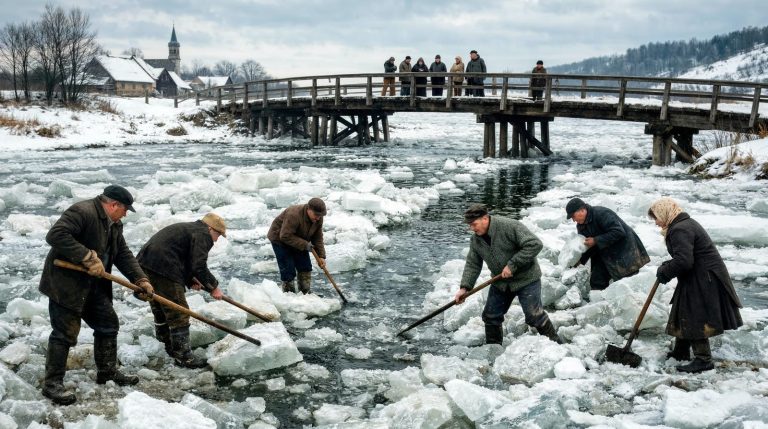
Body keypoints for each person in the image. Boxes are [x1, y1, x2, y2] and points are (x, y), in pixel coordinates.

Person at [39, 185, 153, 405]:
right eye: (125, 209)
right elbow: (55, 235)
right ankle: (52, 385)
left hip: (93, 286)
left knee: (108, 323)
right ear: (113, 205)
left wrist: (141, 279)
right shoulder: (82, 211)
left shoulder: (114, 224)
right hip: (66, 285)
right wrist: (87, 257)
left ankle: (107, 372)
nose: (126, 214)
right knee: (64, 333)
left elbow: (123, 254)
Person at [648, 198, 743, 373]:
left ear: (664, 213)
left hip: (705, 277)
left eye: (656, 218)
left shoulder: (680, 229)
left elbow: (684, 261)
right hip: (700, 274)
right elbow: (685, 256)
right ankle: (681, 351)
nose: (656, 223)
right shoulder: (683, 224)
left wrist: (666, 271)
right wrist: (668, 265)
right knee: (683, 307)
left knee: (695, 313)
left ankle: (703, 359)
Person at [454, 204, 561, 345]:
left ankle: (556, 345)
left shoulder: (509, 226)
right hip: (501, 282)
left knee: (534, 316)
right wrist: (465, 288)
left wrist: (513, 264)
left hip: (527, 278)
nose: (472, 228)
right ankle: (493, 349)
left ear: (485, 218)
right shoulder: (476, 240)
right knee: (491, 316)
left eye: (474, 224)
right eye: (470, 225)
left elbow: (535, 244)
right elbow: (473, 264)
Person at [136, 213, 227, 369]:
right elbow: (198, 265)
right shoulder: (203, 234)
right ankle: (183, 357)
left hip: (145, 263)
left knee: (160, 304)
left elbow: (184, 257)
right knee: (178, 310)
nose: (216, 239)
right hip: (164, 267)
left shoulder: (189, 229)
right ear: (210, 228)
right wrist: (214, 287)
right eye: (217, 234)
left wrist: (189, 280)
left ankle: (166, 343)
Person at [566, 198, 650, 291]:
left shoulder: (601, 213)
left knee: (625, 284)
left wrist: (596, 240)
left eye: (573, 216)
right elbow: (586, 246)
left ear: (582, 210)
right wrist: (580, 261)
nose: (573, 220)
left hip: (623, 250)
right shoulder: (581, 226)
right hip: (603, 252)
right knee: (596, 281)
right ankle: (599, 302)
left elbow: (618, 231)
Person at [268, 198, 327, 294]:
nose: (318, 218)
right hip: (280, 239)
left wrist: (321, 256)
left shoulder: (318, 218)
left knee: (305, 266)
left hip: (300, 239)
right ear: (309, 209)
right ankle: (289, 294)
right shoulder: (294, 214)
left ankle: (305, 292)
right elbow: (285, 236)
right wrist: (305, 244)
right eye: (316, 215)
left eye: (320, 216)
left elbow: (317, 237)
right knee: (288, 270)